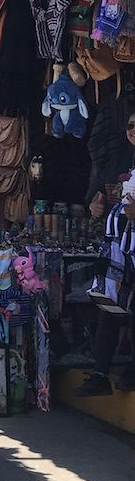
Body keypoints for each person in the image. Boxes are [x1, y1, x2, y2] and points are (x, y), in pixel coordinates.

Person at [76, 111, 135, 396]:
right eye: (130, 124)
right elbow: (98, 191)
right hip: (117, 249)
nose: (133, 130)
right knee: (109, 306)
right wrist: (94, 202)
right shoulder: (121, 157)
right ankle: (100, 374)